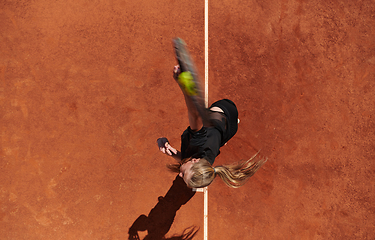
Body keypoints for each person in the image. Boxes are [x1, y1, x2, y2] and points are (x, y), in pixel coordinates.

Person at [157, 65, 267, 189]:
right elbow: (195, 114)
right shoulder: (199, 141)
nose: (180, 175)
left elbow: (186, 158)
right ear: (195, 160)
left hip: (228, 132)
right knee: (205, 116)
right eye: (183, 173)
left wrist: (171, 153)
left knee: (219, 139)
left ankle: (233, 124)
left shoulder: (207, 165)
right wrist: (184, 85)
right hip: (226, 109)